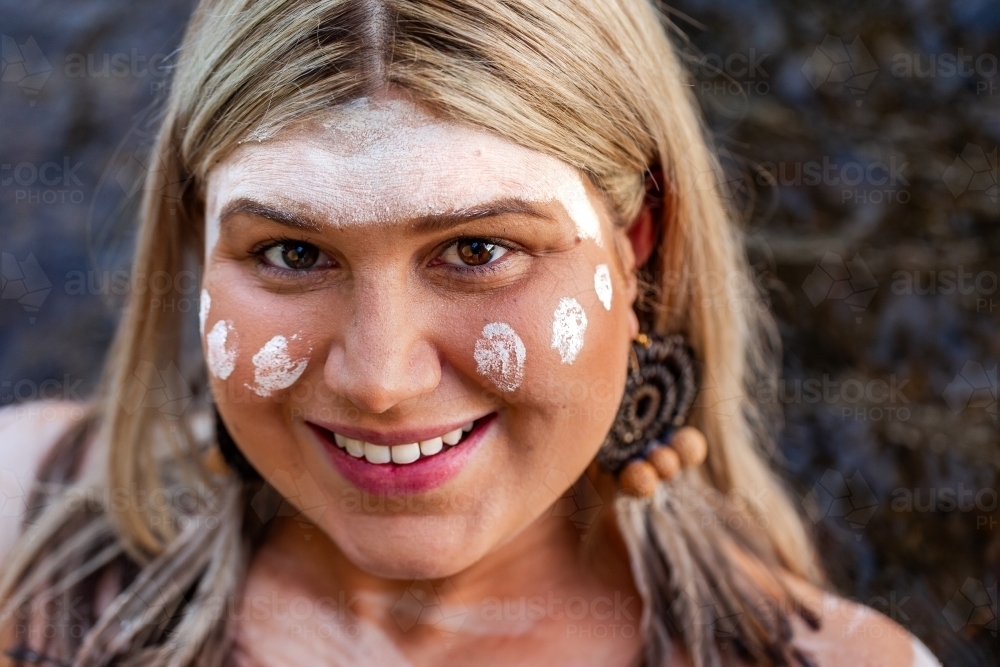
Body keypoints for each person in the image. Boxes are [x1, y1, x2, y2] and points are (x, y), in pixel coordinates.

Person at [0, 1, 942, 665]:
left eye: (479, 247)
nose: (380, 378)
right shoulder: (22, 520)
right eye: (292, 252)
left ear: (636, 241)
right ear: (200, 244)